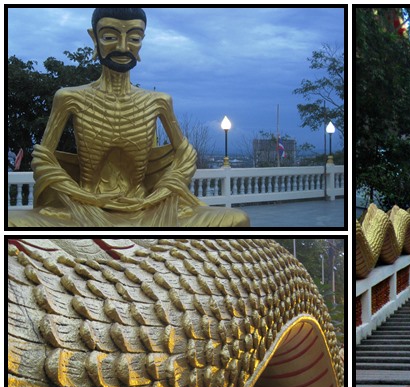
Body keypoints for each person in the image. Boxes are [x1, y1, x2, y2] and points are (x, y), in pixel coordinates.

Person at [8, 7, 249, 228]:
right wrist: (83, 196)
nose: (123, 47)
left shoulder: (158, 101)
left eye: (134, 38)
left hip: (146, 208)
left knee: (237, 219)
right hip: (84, 209)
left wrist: (160, 193)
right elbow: (43, 159)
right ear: (94, 38)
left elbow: (185, 155)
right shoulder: (69, 98)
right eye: (110, 36)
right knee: (11, 222)